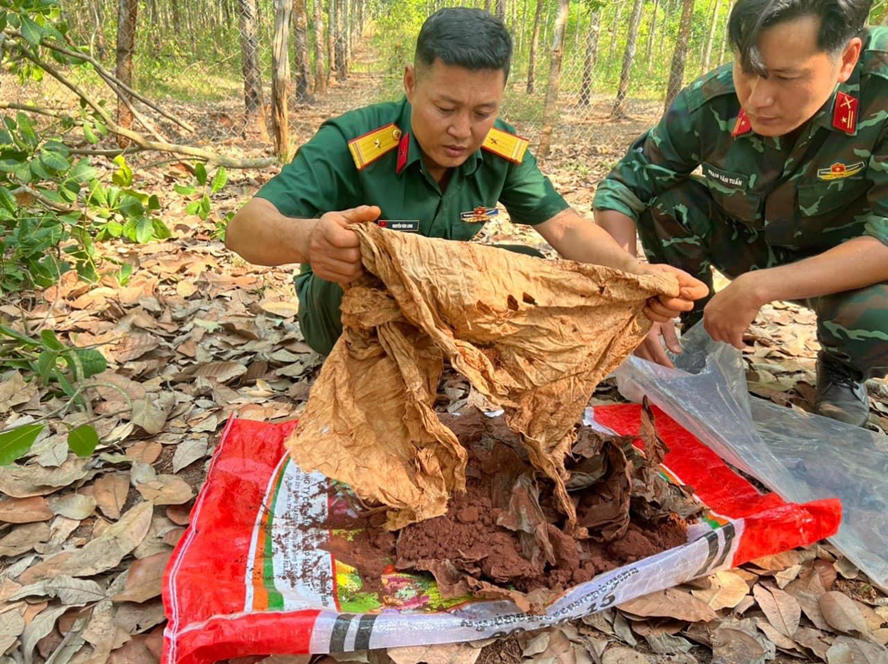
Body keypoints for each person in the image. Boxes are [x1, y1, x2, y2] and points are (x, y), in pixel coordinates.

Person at [226, 7, 707, 359]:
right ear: (412, 84)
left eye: (483, 112)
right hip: (344, 309)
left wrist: (634, 272)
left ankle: (451, 353)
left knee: (533, 268)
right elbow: (244, 229)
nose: (462, 131)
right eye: (445, 108)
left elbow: (563, 227)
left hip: (441, 303)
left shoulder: (500, 149)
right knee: (367, 277)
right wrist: (310, 240)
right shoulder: (354, 140)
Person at [594, 0, 888, 427]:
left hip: (844, 265)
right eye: (748, 70)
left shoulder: (882, 94)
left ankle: (844, 367)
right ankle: (701, 329)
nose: (758, 99)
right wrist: (633, 283)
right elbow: (623, 188)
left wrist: (757, 288)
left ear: (846, 59)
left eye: (786, 77)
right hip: (750, 243)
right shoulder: (710, 103)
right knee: (665, 201)